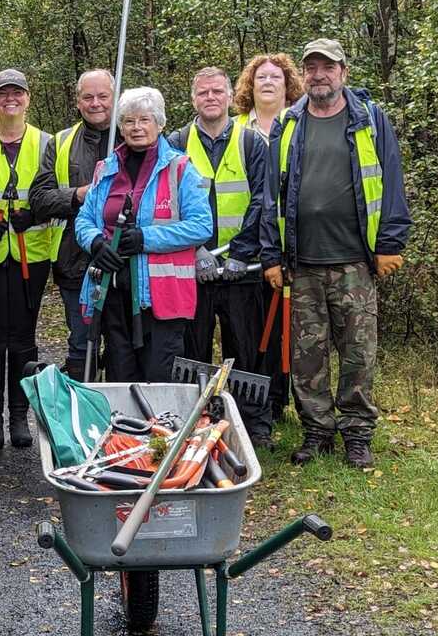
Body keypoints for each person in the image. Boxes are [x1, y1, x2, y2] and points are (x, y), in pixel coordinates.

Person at [261, 38, 412, 468]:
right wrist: (272, 255)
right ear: (303, 75)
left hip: (354, 262)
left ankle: (357, 433)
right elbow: (271, 194)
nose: (319, 75)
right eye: (311, 68)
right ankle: (316, 431)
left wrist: (389, 244)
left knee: (358, 353)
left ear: (343, 72)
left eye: (327, 67)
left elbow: (392, 182)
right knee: (307, 357)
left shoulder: (369, 120)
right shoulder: (289, 124)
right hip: (302, 263)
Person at [75, 87, 211, 382]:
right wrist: (96, 242)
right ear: (120, 126)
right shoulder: (106, 168)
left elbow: (202, 225)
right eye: (129, 121)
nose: (136, 128)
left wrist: (145, 239)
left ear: (160, 124)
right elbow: (84, 219)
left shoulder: (180, 169)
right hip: (112, 293)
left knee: (158, 381)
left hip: (162, 299)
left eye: (144, 120)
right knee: (120, 378)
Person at [164, 68, 268, 446]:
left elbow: (263, 199)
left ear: (229, 96)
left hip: (243, 269)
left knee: (245, 348)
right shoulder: (176, 142)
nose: (211, 97)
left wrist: (242, 251)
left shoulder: (253, 142)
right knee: (194, 349)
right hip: (194, 269)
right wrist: (195, 251)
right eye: (203, 92)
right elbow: (168, 204)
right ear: (194, 99)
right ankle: (196, 422)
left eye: (217, 91)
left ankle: (252, 425)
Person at [0, 70, 54, 449]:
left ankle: (19, 416)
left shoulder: (48, 142)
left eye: (16, 93)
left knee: (23, 338)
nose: (10, 100)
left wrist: (37, 214)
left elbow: (59, 192)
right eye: (3, 94)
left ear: (28, 99)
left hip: (31, 254)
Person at [232, 54, 304, 428]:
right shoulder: (236, 129)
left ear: (288, 83)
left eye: (276, 76)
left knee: (283, 329)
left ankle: (278, 399)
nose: (268, 82)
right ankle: (251, 402)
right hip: (242, 252)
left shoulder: (300, 123)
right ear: (249, 84)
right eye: (261, 76)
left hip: (286, 244)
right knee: (253, 331)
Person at [30, 69, 115, 381]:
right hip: (74, 262)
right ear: (77, 102)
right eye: (88, 97)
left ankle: (122, 421)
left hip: (124, 262)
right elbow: (39, 200)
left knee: (121, 346)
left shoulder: (134, 132)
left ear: (114, 97)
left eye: (103, 96)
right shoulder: (61, 142)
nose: (96, 103)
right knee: (81, 343)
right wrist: (78, 195)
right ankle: (83, 414)